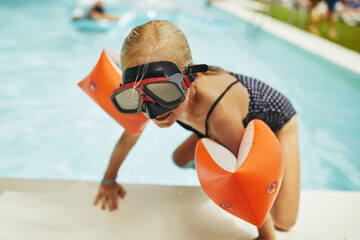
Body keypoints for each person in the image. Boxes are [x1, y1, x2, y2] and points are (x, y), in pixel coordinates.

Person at [93, 20, 300, 240]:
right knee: (179, 159)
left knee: (283, 221)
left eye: (165, 91)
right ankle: (215, 143)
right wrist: (109, 180)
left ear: (191, 80)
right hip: (212, 124)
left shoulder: (221, 114)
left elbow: (249, 180)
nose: (153, 111)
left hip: (277, 122)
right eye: (135, 96)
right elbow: (128, 138)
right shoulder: (144, 91)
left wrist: (265, 236)